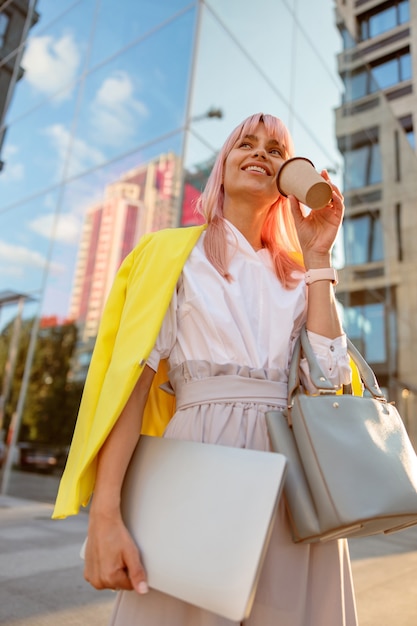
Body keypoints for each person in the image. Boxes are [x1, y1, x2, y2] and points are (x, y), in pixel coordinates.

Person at [53, 112, 358, 625]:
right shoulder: (169, 255)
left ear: (288, 181)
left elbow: (330, 381)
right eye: (246, 143)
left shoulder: (302, 275)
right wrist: (105, 516)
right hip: (194, 463)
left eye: (276, 150)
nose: (260, 153)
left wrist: (319, 257)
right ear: (223, 164)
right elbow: (128, 392)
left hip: (293, 483)